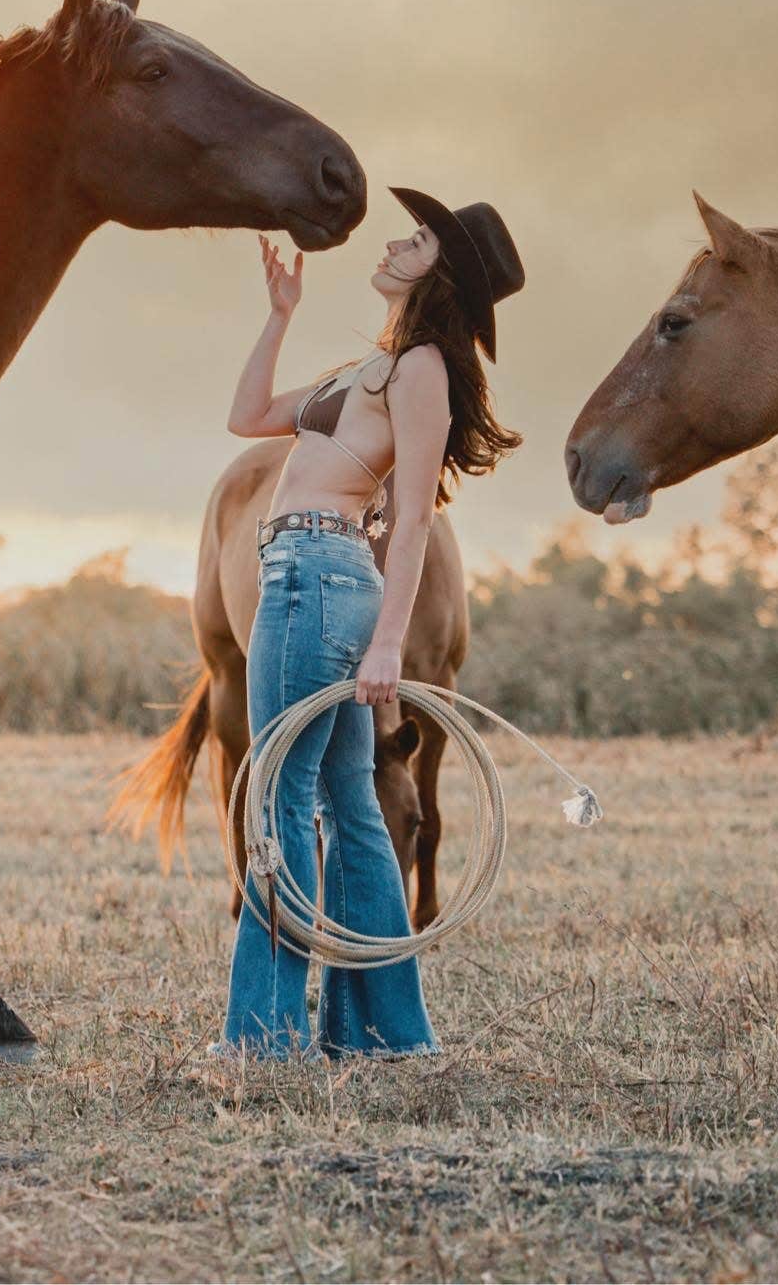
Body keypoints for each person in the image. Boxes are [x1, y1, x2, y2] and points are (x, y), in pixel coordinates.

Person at [214, 186, 524, 1059]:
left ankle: (264, 1038)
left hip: (318, 577)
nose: (395, 241)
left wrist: (389, 640)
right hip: (308, 572)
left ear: (443, 275)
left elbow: (417, 514)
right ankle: (383, 1032)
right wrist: (280, 316)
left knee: (278, 798)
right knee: (348, 802)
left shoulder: (422, 370)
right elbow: (247, 415)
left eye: (418, 239)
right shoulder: (370, 367)